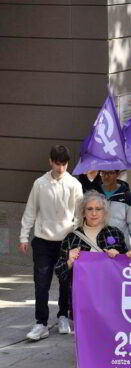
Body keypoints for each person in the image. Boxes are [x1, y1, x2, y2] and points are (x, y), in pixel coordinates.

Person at [55, 191, 131, 368]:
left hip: (111, 303)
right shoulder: (72, 238)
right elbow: (59, 272)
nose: (94, 213)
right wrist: (69, 261)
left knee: (104, 345)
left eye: (98, 209)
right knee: (88, 345)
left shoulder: (115, 234)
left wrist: (122, 257)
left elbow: (130, 267)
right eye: (90, 209)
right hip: (83, 305)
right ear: (83, 212)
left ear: (105, 211)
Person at [20, 145, 83, 341]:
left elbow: (79, 214)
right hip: (42, 240)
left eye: (64, 164)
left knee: (65, 281)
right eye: (57, 163)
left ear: (67, 163)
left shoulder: (74, 184)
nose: (60, 167)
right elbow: (31, 210)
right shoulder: (39, 183)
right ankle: (41, 322)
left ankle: (63, 315)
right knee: (41, 283)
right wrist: (24, 236)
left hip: (66, 240)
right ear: (50, 161)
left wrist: (75, 236)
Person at [97, 170, 131, 248]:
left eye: (110, 172)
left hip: (121, 248)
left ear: (118, 174)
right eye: (103, 173)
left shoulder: (129, 199)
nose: (106, 176)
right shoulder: (94, 195)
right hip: (96, 247)